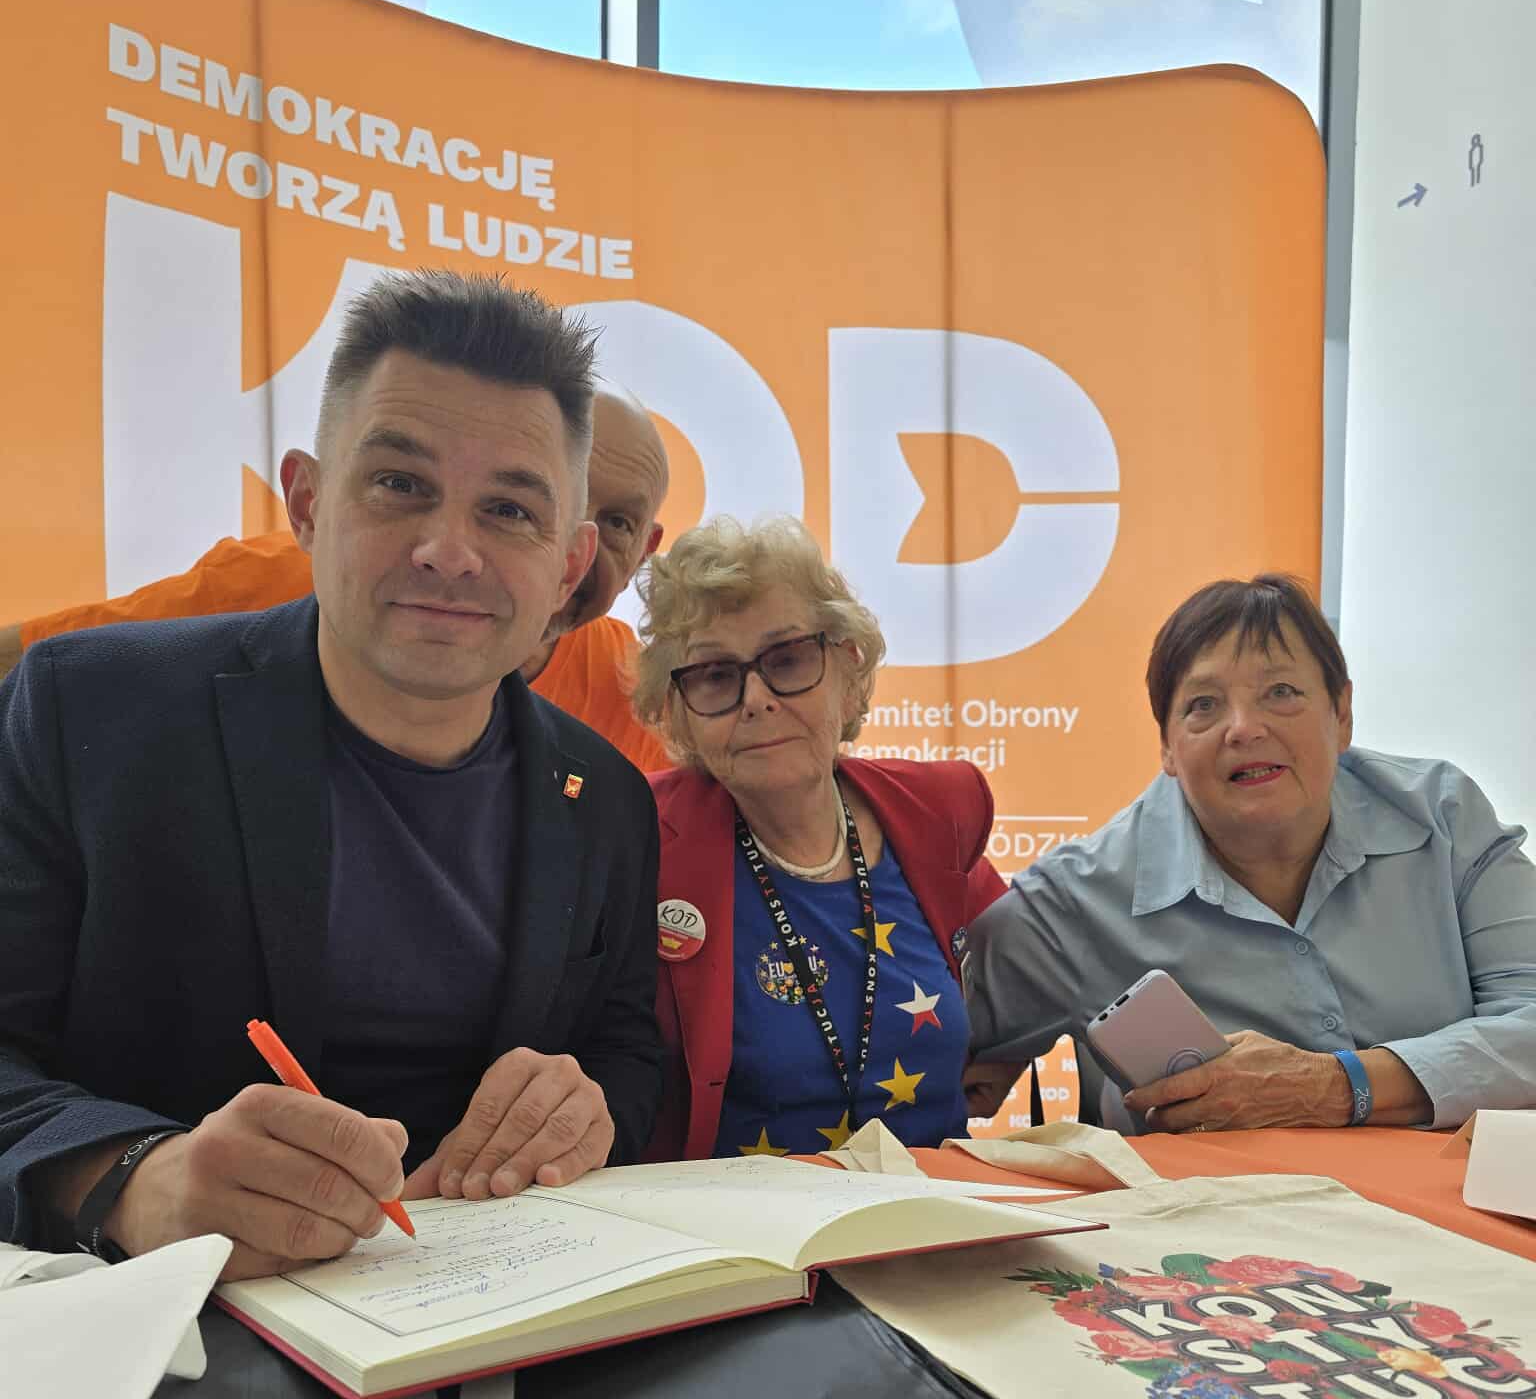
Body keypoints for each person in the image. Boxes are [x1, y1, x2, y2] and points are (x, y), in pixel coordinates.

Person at [0, 270, 661, 1278]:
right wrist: (132, 1175)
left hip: (496, 1316)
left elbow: (627, 1044)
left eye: (509, 509)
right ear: (308, 502)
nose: (449, 551)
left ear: (568, 564)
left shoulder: (609, 795)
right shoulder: (85, 711)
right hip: (162, 1324)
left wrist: (587, 1104)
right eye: (399, 484)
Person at [965, 573, 1536, 1133]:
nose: (1243, 728)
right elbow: (929, 1049)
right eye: (1204, 704)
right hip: (1199, 1197)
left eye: (1280, 693)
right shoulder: (1074, 902)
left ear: (1341, 715)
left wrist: (1333, 1087)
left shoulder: (1442, 818)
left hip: (1447, 1193)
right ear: (1167, 746)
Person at [0, 390, 672, 773]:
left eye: (615, 523)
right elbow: (40, 662)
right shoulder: (287, 580)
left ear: (644, 550)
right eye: (525, 506)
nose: (564, 547)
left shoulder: (637, 695)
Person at [630, 515, 1006, 1160]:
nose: (756, 698)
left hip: (938, 1204)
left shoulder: (935, 811)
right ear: (679, 711)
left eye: (787, 659)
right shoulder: (637, 838)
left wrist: (1014, 1048)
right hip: (737, 1218)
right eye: (715, 675)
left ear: (849, 671)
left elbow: (1034, 961)